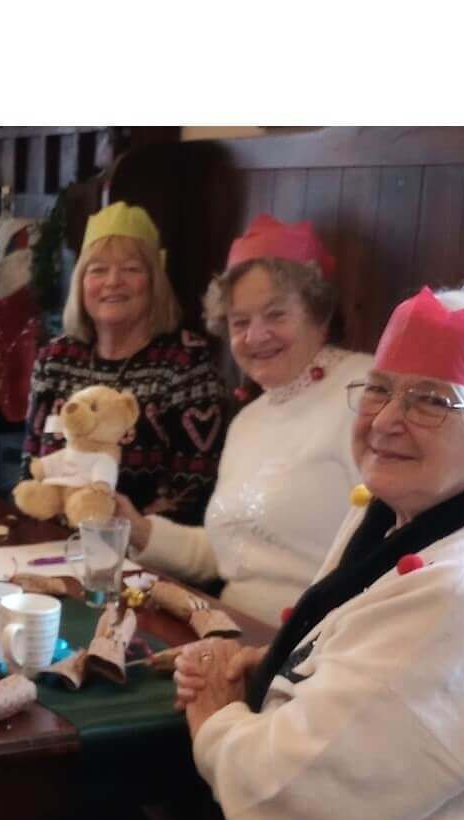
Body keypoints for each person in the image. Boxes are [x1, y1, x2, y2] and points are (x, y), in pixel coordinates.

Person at [79, 286, 464, 820]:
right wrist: (276, 665)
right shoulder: (397, 505)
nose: (388, 421)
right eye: (379, 391)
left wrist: (217, 715)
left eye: (432, 400)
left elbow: (281, 799)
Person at [121, 215, 373, 626]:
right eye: (240, 322)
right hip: (230, 630)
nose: (255, 337)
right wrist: (139, 530)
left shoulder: (364, 393)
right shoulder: (249, 420)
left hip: (315, 647)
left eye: (276, 315)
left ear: (319, 314)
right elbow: (229, 554)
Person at [18, 202, 226, 528]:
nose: (113, 281)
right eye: (97, 270)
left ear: (154, 281)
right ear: (81, 283)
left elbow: (195, 490)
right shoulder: (55, 358)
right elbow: (31, 464)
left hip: (144, 553)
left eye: (131, 269)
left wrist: (119, 530)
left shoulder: (185, 362)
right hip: (53, 540)